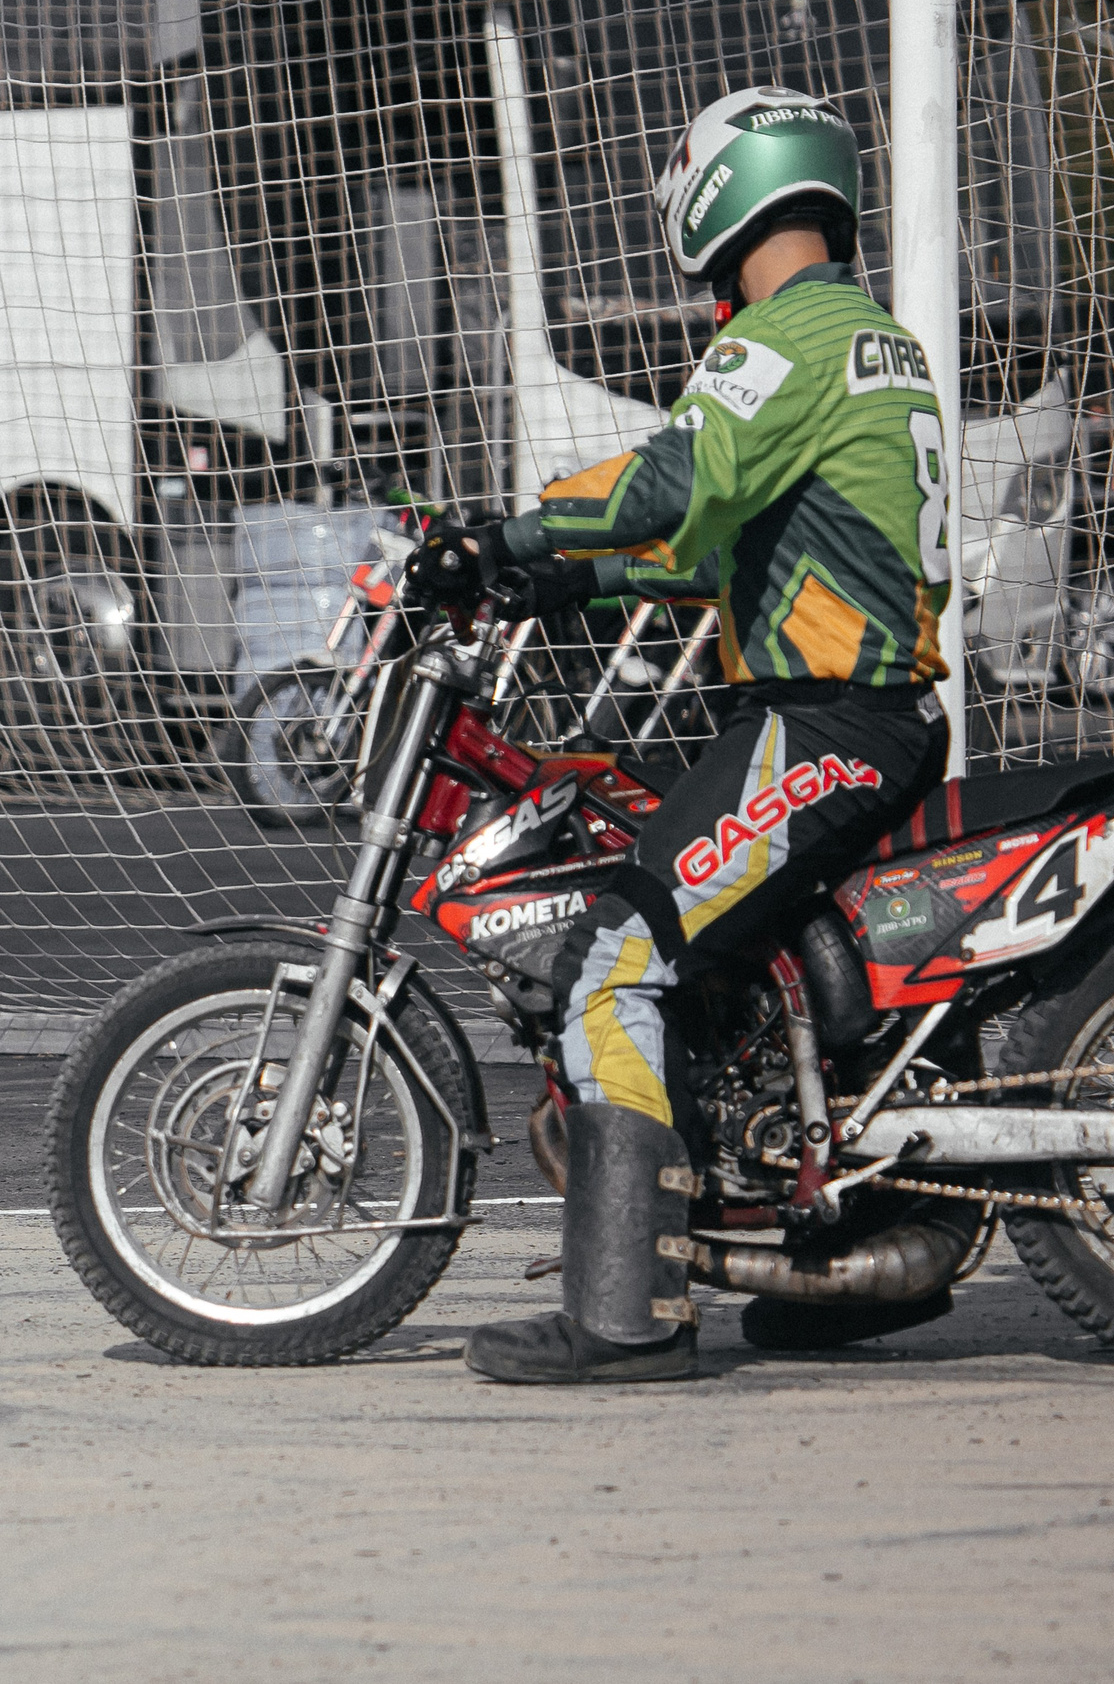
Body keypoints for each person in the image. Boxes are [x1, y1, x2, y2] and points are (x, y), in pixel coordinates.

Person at [409, 88, 955, 1381]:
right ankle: (835, 1265)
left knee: (618, 956)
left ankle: (623, 1311)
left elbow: (667, 483)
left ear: (719, 193)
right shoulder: (867, 336)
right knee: (765, 986)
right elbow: (715, 545)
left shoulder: (785, 337)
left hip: (825, 718)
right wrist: (566, 584)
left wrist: (511, 533)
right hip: (871, 714)